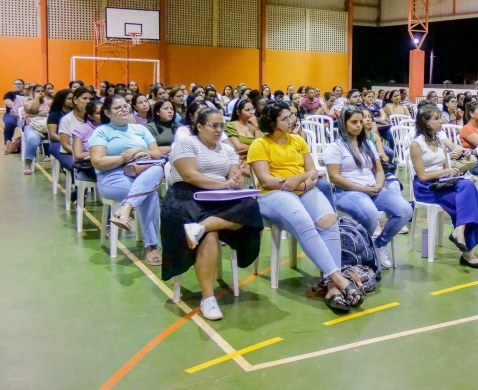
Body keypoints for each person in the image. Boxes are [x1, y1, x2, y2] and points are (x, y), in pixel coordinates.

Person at [249, 102, 365, 312]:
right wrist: (295, 181)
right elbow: (266, 181)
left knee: (329, 220)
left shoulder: (298, 140)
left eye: (291, 116)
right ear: (272, 122)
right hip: (273, 195)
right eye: (285, 118)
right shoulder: (259, 144)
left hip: (304, 189)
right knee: (304, 222)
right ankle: (340, 279)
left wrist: (299, 180)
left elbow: (313, 173)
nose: (291, 121)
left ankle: (332, 287)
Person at [161, 107, 262, 321]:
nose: (218, 130)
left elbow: (234, 173)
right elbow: (190, 176)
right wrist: (223, 184)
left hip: (220, 196)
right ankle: (208, 298)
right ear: (199, 126)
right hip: (187, 196)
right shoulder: (186, 144)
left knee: (250, 207)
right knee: (210, 236)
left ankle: (201, 227)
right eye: (213, 126)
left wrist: (235, 182)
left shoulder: (226, 149)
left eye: (221, 126)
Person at [325, 106, 412, 269]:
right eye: (354, 122)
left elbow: (378, 170)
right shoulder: (335, 147)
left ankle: (378, 244)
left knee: (405, 210)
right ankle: (364, 252)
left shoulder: (368, 144)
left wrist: (379, 185)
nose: (359, 125)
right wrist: (362, 189)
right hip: (347, 192)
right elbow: (335, 177)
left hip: (373, 190)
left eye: (360, 122)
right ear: (344, 123)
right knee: (371, 213)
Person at [88, 95, 163, 265]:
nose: (123, 109)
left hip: (142, 173)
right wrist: (123, 158)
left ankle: (125, 209)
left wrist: (139, 150)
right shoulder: (101, 132)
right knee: (149, 194)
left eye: (125, 105)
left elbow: (157, 154)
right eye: (117, 108)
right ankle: (151, 245)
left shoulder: (140, 129)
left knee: (157, 169)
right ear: (107, 112)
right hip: (112, 177)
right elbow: (98, 161)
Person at [410, 105, 478, 268]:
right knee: (465, 202)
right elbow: (422, 176)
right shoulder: (417, 144)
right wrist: (444, 171)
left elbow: (445, 165)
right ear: (425, 122)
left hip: (442, 183)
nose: (441, 121)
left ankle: (459, 231)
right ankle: (467, 251)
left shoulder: (438, 141)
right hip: (426, 187)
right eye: (436, 119)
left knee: (467, 186)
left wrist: (451, 172)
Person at [57, 87, 93, 172]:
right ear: (75, 100)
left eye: (90, 99)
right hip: (69, 154)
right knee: (81, 168)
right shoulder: (66, 120)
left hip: (90, 153)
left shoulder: (94, 118)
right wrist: (81, 154)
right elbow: (65, 145)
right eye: (84, 98)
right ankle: (76, 185)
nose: (88, 101)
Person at [20, 84, 50, 174]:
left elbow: (50, 113)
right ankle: (28, 165)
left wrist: (36, 114)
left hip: (47, 127)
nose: (40, 93)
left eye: (42, 91)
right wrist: (36, 99)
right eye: (37, 91)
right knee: (33, 139)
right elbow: (32, 111)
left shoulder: (48, 102)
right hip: (32, 127)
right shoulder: (27, 102)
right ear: (32, 92)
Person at [71, 99, 103, 181]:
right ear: (90, 116)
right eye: (99, 113)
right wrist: (99, 153)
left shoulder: (111, 127)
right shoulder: (81, 130)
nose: (103, 115)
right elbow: (78, 155)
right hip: (89, 166)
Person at [46, 89, 72, 160]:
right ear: (62, 100)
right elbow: (53, 134)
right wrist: (67, 141)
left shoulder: (75, 113)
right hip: (57, 142)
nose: (72, 101)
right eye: (69, 99)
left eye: (73, 98)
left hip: (74, 140)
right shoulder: (54, 115)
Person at [3, 78, 25, 152]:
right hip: (11, 114)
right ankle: (7, 141)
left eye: (19, 84)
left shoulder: (27, 95)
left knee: (27, 126)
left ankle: (20, 144)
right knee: (9, 122)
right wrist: (19, 106)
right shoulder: (10, 94)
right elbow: (8, 102)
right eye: (16, 84)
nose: (17, 85)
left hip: (25, 115)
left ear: (23, 85)